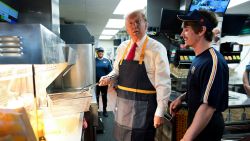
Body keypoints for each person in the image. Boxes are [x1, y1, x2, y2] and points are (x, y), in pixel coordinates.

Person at [99, 10, 171, 141]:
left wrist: (160, 111)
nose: (134, 26)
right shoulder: (122, 47)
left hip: (145, 108)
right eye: (130, 23)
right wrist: (109, 77)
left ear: (146, 24)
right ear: (127, 28)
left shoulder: (157, 48)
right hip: (123, 106)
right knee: (122, 137)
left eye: (138, 22)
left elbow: (163, 83)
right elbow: (116, 71)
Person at [169, 10, 229, 141]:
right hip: (197, 125)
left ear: (201, 30)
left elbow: (208, 107)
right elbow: (199, 88)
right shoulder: (199, 58)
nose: (181, 34)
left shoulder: (213, 61)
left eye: (186, 29)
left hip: (207, 129)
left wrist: (186, 138)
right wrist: (182, 98)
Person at [95, 47, 112, 117]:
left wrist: (109, 81)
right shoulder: (94, 60)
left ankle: (105, 110)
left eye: (102, 51)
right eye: (99, 52)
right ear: (97, 53)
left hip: (104, 83)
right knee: (96, 97)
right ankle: (97, 110)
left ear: (103, 52)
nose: (100, 53)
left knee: (104, 96)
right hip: (96, 83)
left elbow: (110, 72)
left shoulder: (107, 61)